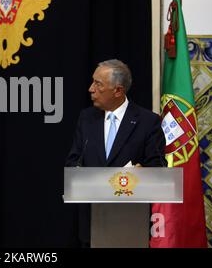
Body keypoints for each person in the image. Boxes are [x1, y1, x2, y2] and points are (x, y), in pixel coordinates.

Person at [66, 59, 165, 247]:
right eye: (93, 82)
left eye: (98, 84)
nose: (90, 89)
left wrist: (141, 174)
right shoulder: (86, 118)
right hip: (91, 225)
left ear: (118, 91)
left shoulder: (147, 122)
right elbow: (73, 162)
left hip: (130, 224)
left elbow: (158, 171)